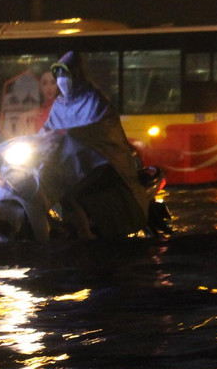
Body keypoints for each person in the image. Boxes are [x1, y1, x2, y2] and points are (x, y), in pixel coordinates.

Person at [42, 51, 150, 237]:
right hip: (73, 165)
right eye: (58, 76)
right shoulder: (59, 104)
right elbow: (46, 130)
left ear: (76, 75)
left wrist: (71, 134)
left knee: (71, 194)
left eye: (65, 75)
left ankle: (87, 238)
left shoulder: (93, 98)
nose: (61, 80)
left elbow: (98, 129)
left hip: (101, 164)